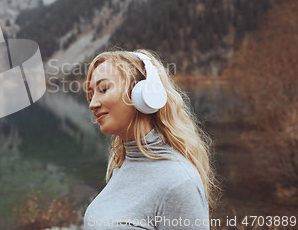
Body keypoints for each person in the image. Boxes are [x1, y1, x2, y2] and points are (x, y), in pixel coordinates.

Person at [83, 49, 220, 229]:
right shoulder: (122, 167)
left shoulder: (179, 182)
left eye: (104, 89)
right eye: (92, 94)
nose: (93, 104)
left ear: (143, 93)